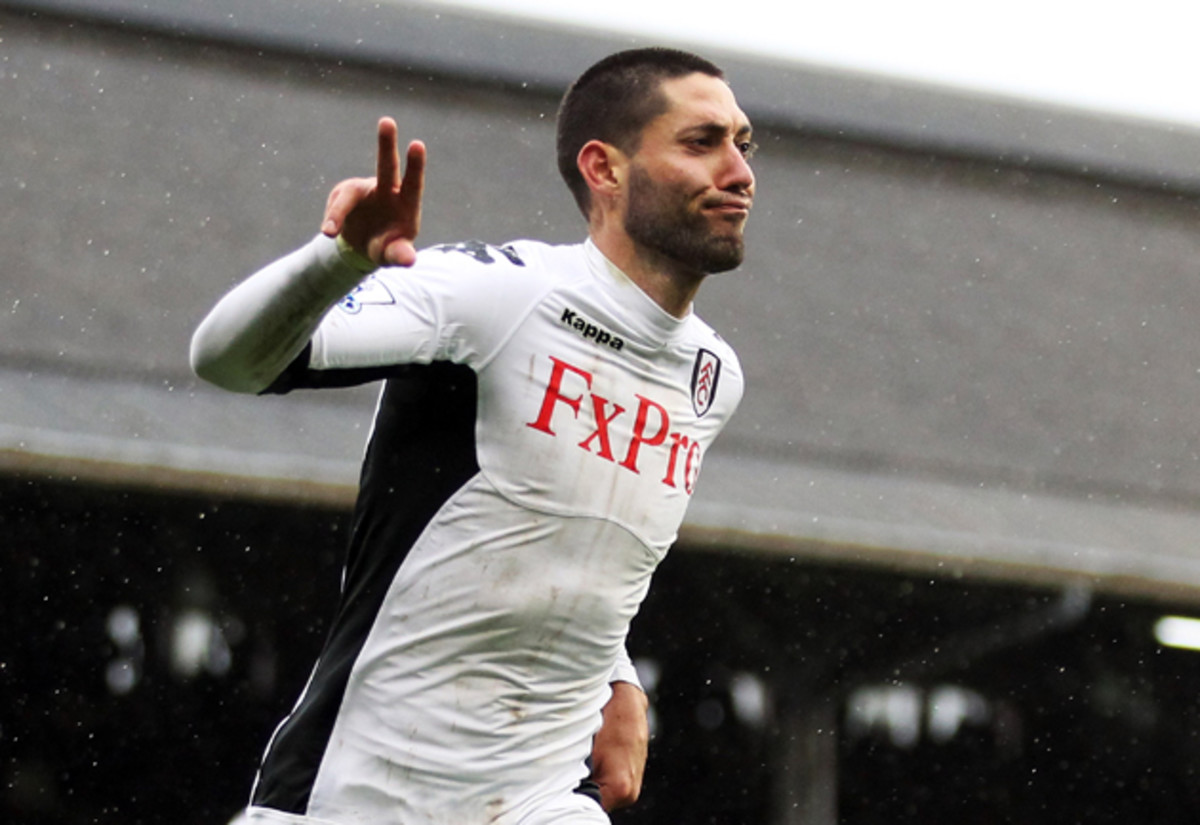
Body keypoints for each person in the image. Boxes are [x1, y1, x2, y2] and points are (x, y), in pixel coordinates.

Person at [191, 46, 755, 825]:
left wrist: (616, 674)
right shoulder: (499, 294)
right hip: (352, 800)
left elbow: (574, 528)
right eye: (703, 142)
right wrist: (335, 263)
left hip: (536, 804)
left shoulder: (711, 375)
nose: (740, 170)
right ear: (605, 168)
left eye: (743, 143)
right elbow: (227, 362)